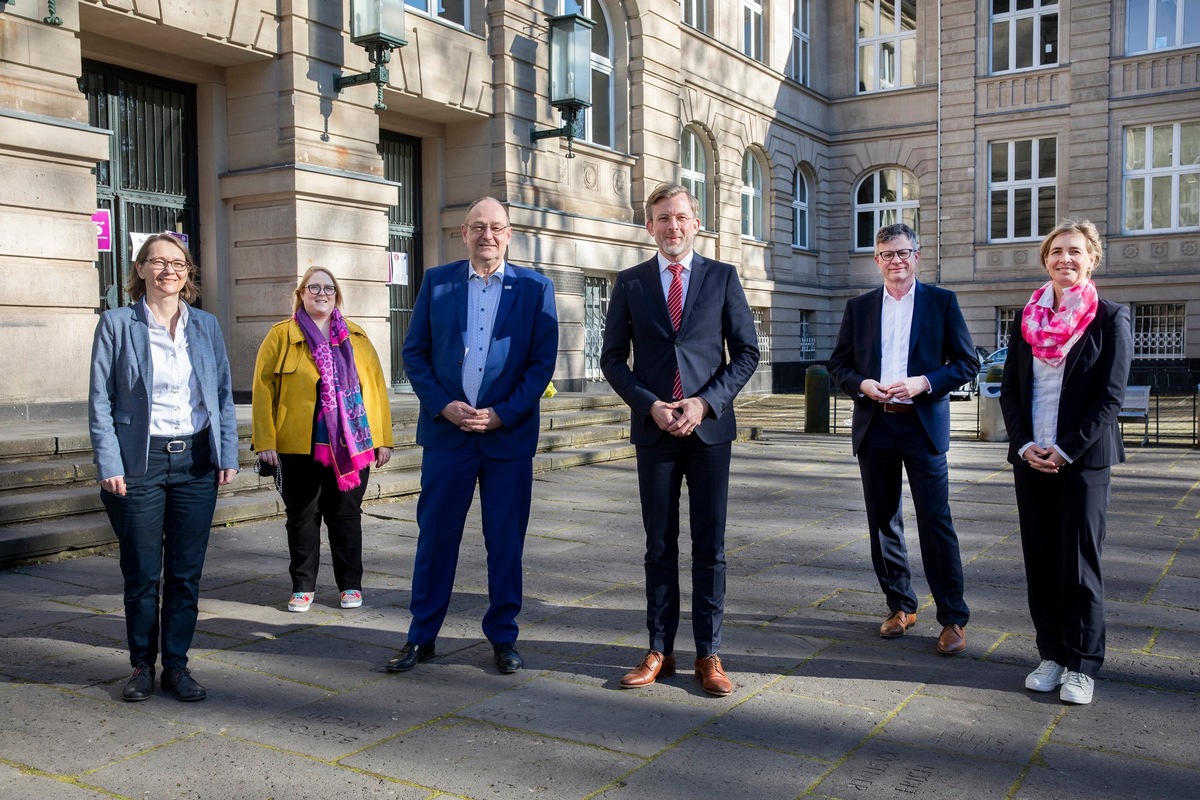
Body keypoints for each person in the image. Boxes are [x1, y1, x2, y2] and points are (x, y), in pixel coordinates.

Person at [385, 197, 558, 676]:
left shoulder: (535, 287)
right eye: (478, 227)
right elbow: (414, 354)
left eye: (496, 227)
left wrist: (503, 414)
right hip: (448, 436)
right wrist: (444, 404)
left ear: (509, 233)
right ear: (464, 233)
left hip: (507, 440)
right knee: (436, 540)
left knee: (505, 543)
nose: (488, 235)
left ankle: (504, 639)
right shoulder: (437, 283)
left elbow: (542, 363)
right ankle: (422, 637)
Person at [600, 183, 760, 697]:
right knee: (659, 544)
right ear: (650, 226)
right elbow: (611, 359)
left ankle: (708, 655)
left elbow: (746, 353)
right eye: (663, 218)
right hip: (656, 429)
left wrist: (703, 402)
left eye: (682, 217)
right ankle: (659, 650)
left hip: (708, 431)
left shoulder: (723, 277)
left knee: (710, 548)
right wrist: (650, 403)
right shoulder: (630, 283)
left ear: (697, 223)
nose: (673, 226)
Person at [89, 233, 239, 703]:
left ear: (188, 272)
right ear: (140, 270)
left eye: (177, 263)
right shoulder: (116, 324)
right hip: (140, 462)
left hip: (196, 461)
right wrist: (109, 461)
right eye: (157, 262)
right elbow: (100, 400)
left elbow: (220, 396)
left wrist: (227, 453)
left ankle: (176, 664)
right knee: (141, 571)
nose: (168, 270)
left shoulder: (207, 325)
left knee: (185, 572)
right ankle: (140, 665)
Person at [827, 223, 978, 655]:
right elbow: (838, 363)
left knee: (936, 521)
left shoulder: (941, 302)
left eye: (904, 252)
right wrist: (862, 385)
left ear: (917, 256)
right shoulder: (859, 307)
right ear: (876, 260)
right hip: (876, 426)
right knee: (882, 521)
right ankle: (900, 606)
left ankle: (952, 617)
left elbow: (967, 363)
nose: (896, 260)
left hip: (921, 426)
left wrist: (924, 382)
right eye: (887, 254)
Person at [1000, 220, 1132, 705]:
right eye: (1056, 252)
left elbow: (1110, 398)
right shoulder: (1026, 318)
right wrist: (1023, 444)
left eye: (1075, 252)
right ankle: (1052, 655)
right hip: (1031, 458)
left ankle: (1082, 664)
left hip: (1082, 461)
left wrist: (1067, 447)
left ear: (1092, 258)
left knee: (1080, 564)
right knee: (1040, 560)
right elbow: (1012, 390)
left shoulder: (1110, 317)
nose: (1065, 260)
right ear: (1046, 260)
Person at [251, 267, 394, 613]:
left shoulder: (357, 338)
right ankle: (302, 586)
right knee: (302, 515)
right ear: (301, 294)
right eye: (313, 287)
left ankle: (351, 586)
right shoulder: (280, 336)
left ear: (337, 295)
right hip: (295, 445)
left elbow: (374, 390)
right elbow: (262, 390)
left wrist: (383, 439)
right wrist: (264, 440)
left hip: (352, 446)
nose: (321, 293)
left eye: (328, 288)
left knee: (346, 515)